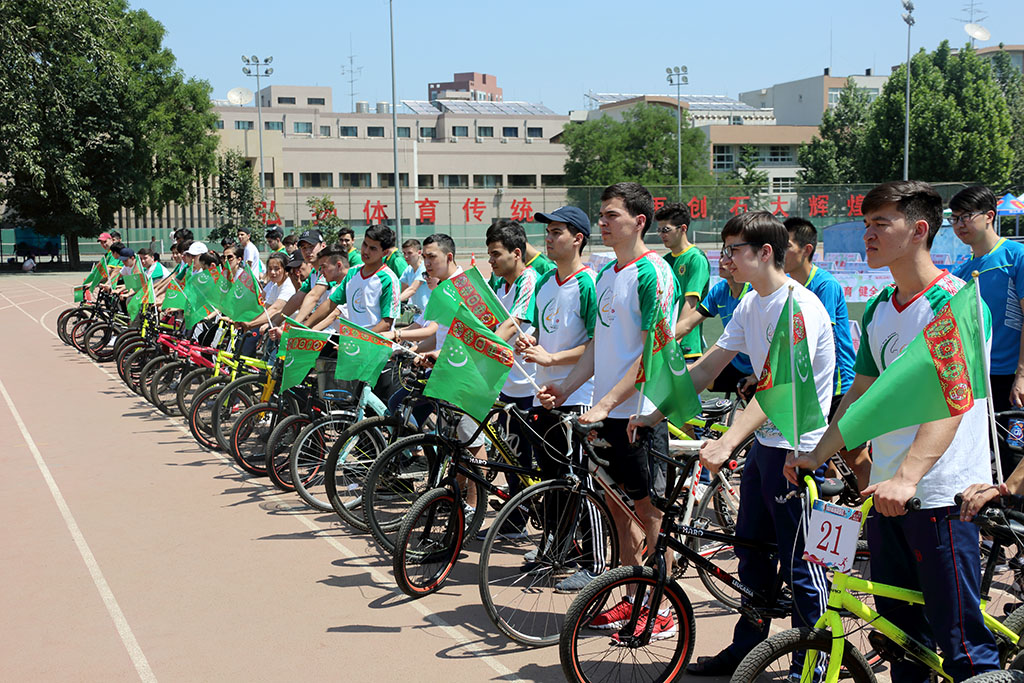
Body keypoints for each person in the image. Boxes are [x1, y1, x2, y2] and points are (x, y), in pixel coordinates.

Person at [788, 180, 999, 683]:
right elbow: (858, 398)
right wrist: (815, 455)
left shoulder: (957, 304)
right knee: (902, 642)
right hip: (885, 497)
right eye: (866, 224)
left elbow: (951, 404)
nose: (869, 234)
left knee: (965, 649)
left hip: (943, 498)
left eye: (881, 223)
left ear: (920, 230)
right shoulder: (882, 306)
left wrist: (908, 477)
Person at [634, 210, 835, 677]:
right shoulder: (750, 303)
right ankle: (749, 650)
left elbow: (779, 390)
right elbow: (707, 366)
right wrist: (652, 415)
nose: (725, 260)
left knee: (804, 567)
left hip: (799, 451)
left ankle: (816, 660)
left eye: (734, 251)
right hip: (766, 447)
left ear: (766, 252)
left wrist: (726, 441)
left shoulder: (799, 307)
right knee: (751, 555)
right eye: (724, 250)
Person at [538, 183, 675, 631]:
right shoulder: (606, 275)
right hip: (606, 413)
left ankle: (661, 609)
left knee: (651, 514)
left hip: (639, 414)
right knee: (619, 512)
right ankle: (631, 596)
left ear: (639, 221)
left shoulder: (654, 272)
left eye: (611, 215)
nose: (602, 222)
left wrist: (609, 404)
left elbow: (654, 347)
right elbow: (599, 344)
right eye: (601, 214)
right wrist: (567, 388)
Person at [516, 205, 602, 592]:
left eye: (556, 233)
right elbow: (543, 331)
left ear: (578, 239)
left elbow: (595, 344)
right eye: (547, 233)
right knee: (551, 480)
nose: (548, 239)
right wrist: (531, 342)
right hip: (545, 393)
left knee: (577, 482)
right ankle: (556, 548)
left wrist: (551, 357)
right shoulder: (546, 282)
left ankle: (590, 560)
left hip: (578, 395)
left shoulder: (588, 283)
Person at [784, 216, 870, 489]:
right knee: (819, 453)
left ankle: (875, 511)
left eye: (785, 245)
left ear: (806, 250)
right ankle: (827, 507)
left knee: (854, 455)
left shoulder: (825, 285)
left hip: (837, 384)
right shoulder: (787, 286)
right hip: (812, 384)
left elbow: (819, 339)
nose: (778, 252)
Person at [482, 218, 540, 539]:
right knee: (511, 456)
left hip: (532, 387)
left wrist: (479, 352)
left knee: (536, 461)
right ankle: (517, 517)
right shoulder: (499, 286)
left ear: (516, 254)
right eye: (489, 255)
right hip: (507, 385)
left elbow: (510, 325)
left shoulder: (529, 280)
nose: (491, 261)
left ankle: (549, 525)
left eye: (495, 254)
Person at [949, 186, 1024, 414]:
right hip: (976, 380)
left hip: (1011, 378)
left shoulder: (1016, 256)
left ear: (989, 216)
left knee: (1012, 449)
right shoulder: (961, 272)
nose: (959, 224)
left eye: (966, 216)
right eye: (954, 219)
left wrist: (1021, 375)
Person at [675, 262, 757, 399]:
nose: (721, 261)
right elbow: (688, 324)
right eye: (721, 255)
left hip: (760, 370)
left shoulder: (754, 293)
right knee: (688, 374)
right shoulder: (719, 290)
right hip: (735, 364)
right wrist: (660, 344)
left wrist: (756, 376)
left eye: (729, 254)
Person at [308, 224, 399, 335]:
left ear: (384, 253)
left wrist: (359, 339)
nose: (366, 251)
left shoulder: (388, 279)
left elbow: (386, 323)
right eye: (365, 244)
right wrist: (305, 326)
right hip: (353, 345)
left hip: (375, 347)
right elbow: (330, 304)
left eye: (372, 248)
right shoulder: (353, 273)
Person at [656, 202, 710, 361]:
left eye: (666, 229)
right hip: (663, 346)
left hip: (685, 348)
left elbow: (691, 304)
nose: (661, 234)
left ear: (683, 228)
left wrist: (675, 338)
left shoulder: (696, 258)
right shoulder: (664, 261)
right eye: (659, 230)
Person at [398, 238, 430, 312]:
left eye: (409, 253)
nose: (406, 256)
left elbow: (412, 289)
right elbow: (400, 288)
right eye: (404, 253)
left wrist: (393, 302)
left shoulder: (424, 268)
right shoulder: (408, 269)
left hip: (428, 314)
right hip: (417, 314)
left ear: (419, 253)